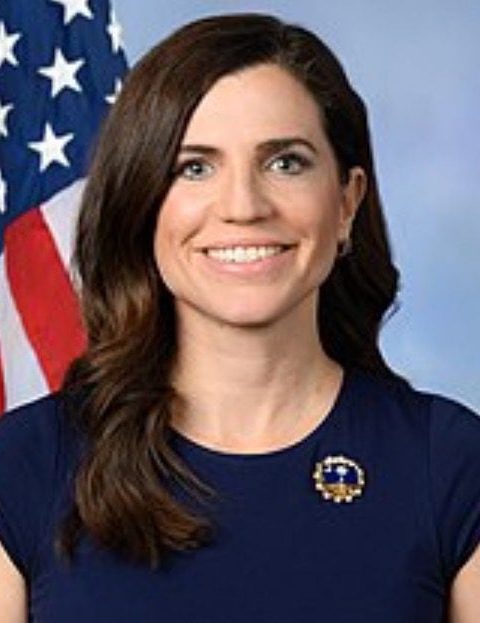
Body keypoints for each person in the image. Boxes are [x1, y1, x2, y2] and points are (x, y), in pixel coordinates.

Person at [0, 12, 479, 623]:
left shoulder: (449, 463)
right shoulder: (24, 464)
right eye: (194, 167)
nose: (244, 206)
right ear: (139, 205)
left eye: (286, 163)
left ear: (346, 201)